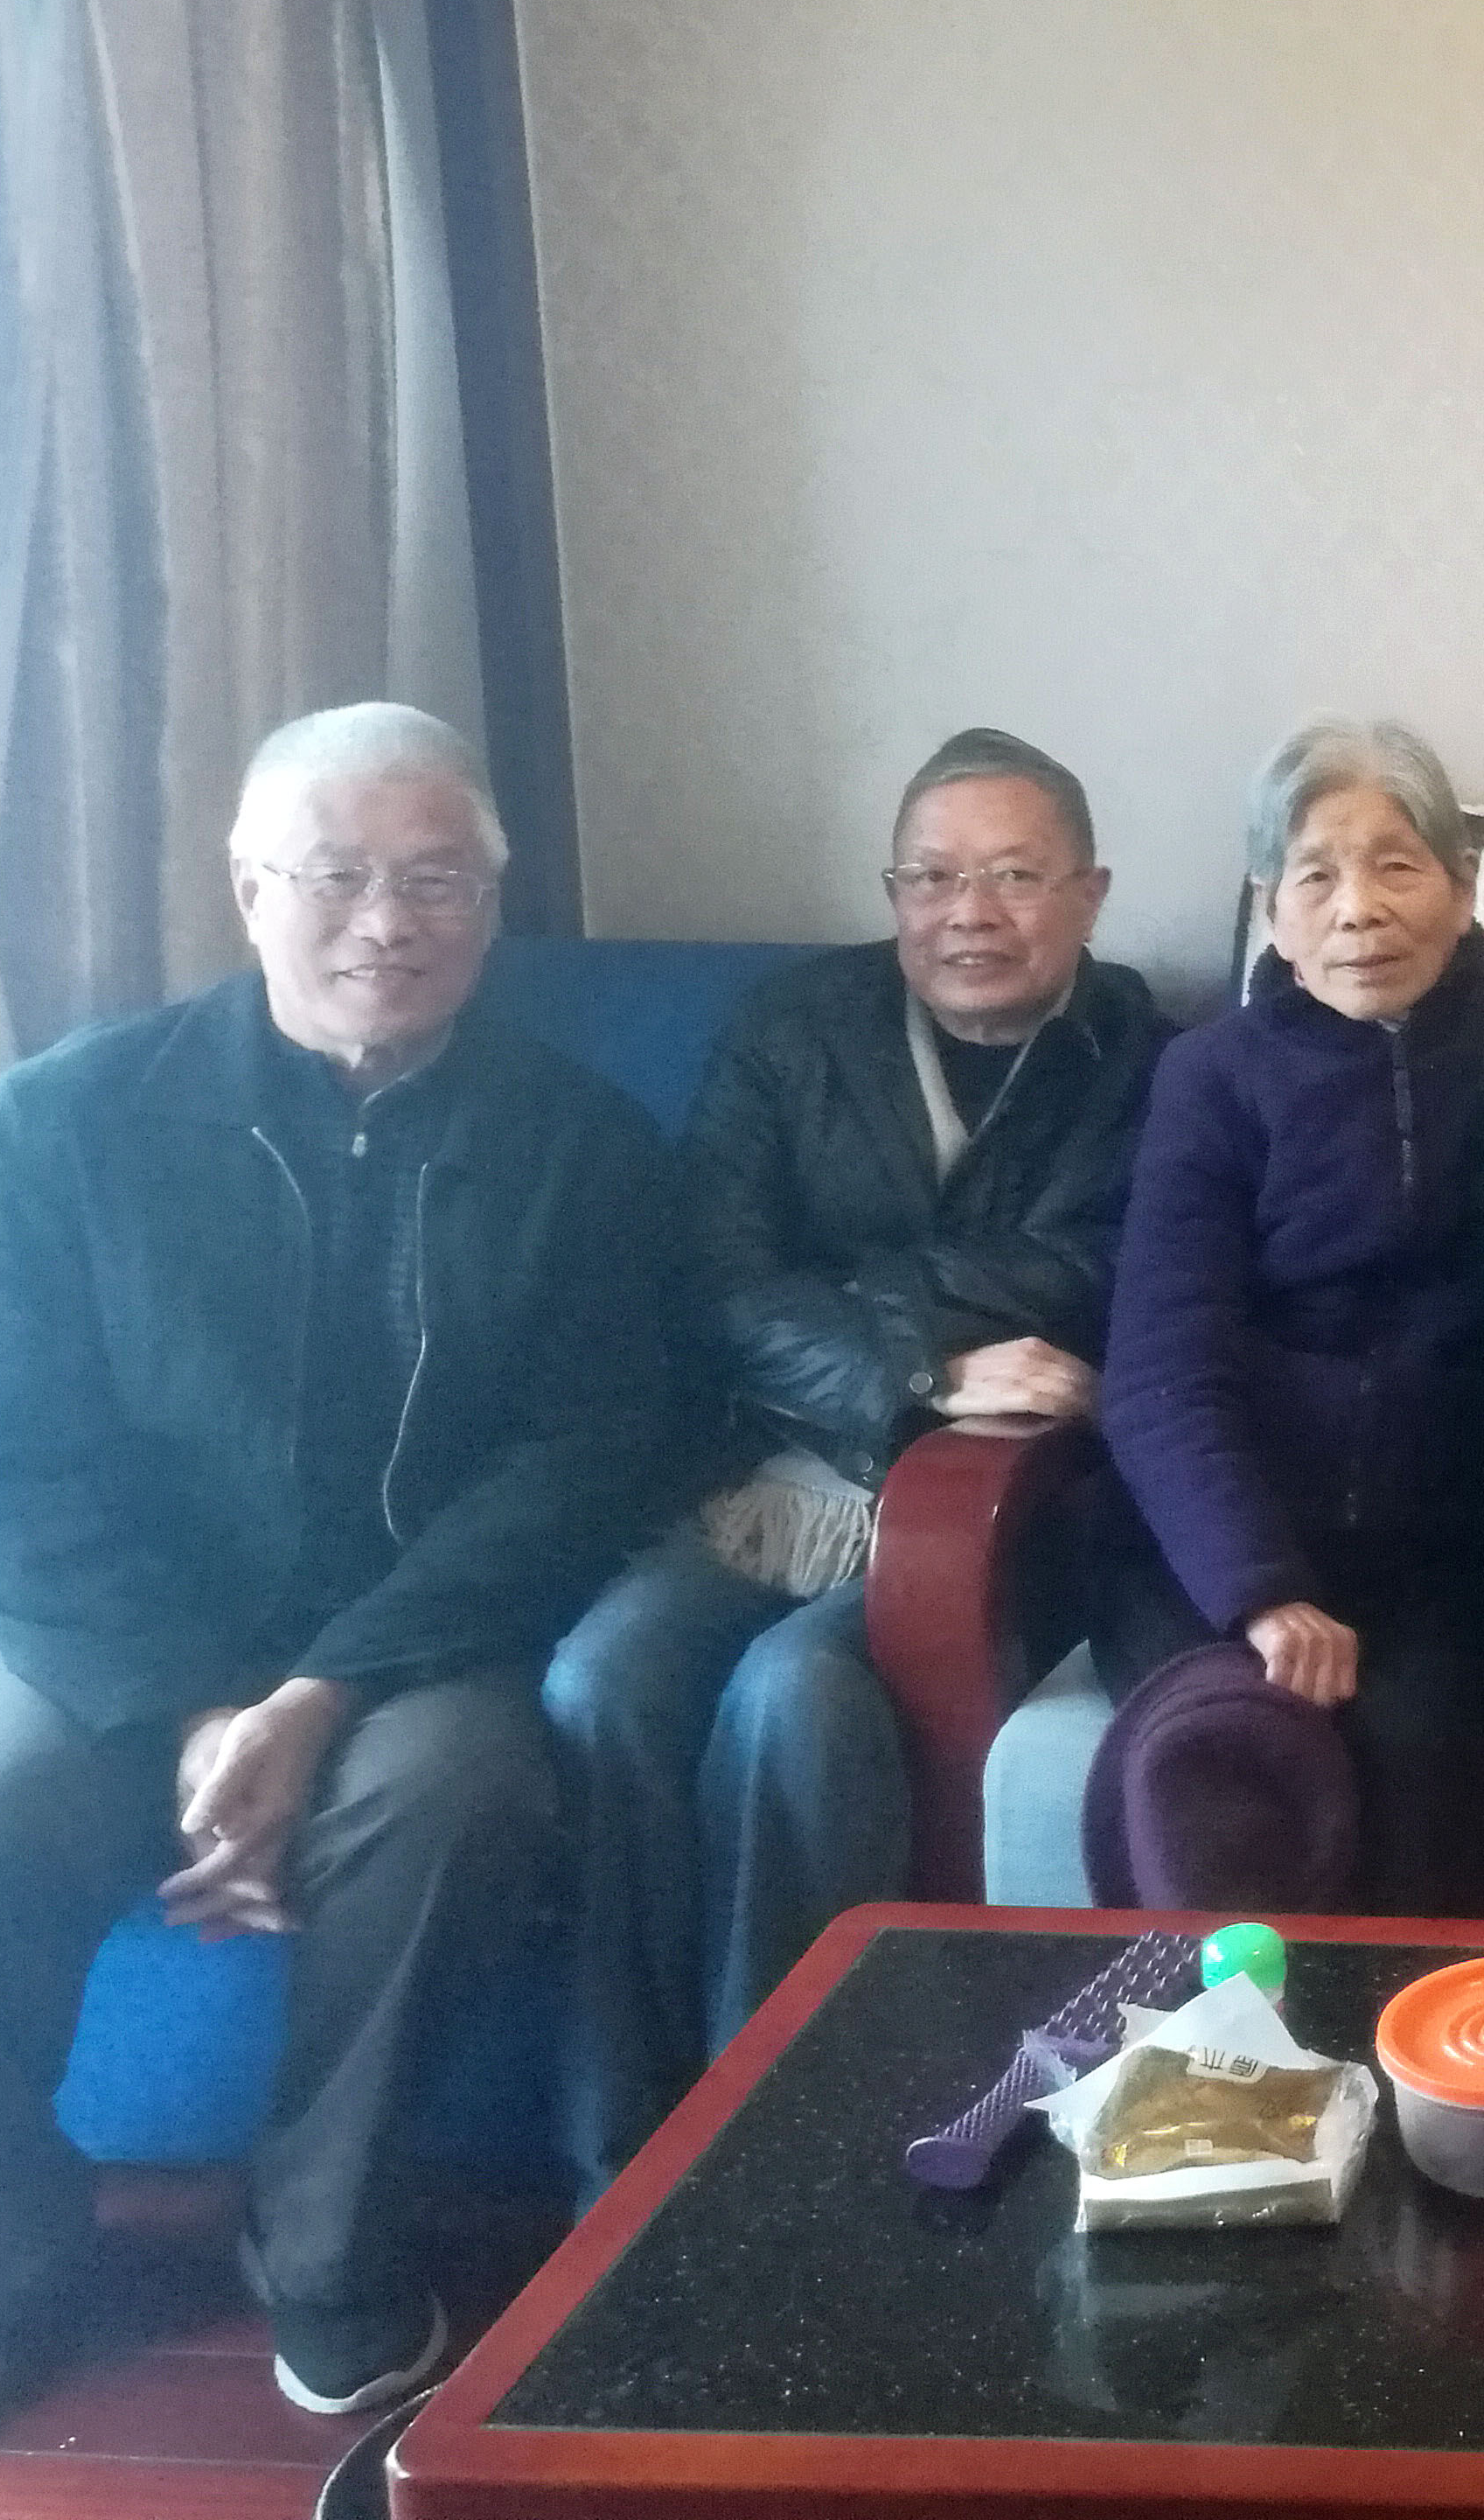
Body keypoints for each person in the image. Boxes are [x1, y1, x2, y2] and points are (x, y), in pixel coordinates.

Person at [0, 705, 684, 2442]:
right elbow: (8, 1466)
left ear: (490, 906)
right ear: (249, 887)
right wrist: (199, 1712)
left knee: (455, 1800)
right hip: (112, 1641)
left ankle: (326, 2244)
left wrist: (323, 1693)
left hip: (415, 1645)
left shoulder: (583, 1147)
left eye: (437, 882)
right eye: (336, 877)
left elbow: (585, 1460)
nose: (387, 924)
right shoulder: (70, 1120)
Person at [544, 728, 1166, 2189]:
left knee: (793, 1699)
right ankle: (615, 2162)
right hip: (761, 1474)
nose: (969, 914)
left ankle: (767, 2155)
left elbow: (1094, 1274)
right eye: (932, 878)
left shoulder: (1147, 1059)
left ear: (1090, 893)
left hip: (986, 1513)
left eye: (1015, 876)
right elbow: (712, 1280)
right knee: (602, 1679)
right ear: (891, 894)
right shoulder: (794, 1027)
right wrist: (919, 1366)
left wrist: (840, 1298)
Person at [1097, 720, 1484, 1911]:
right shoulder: (1211, 1076)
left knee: (1427, 1772)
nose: (1360, 910)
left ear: (1463, 888)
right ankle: (1216, 2032)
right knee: (1227, 1766)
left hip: (1440, 1554)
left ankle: (1415, 2036)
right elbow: (1158, 1371)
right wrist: (1260, 1588)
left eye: (1398, 865)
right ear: (1274, 910)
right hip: (1228, 1540)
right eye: (1316, 876)